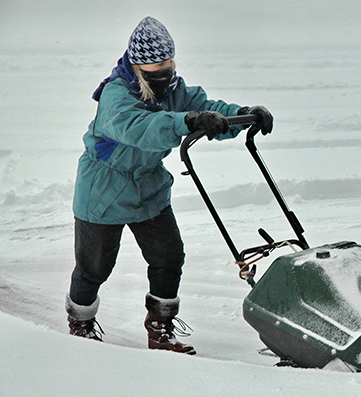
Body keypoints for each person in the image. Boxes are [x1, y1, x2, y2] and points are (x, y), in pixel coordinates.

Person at [64, 16, 273, 355]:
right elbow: (140, 127)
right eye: (153, 64)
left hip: (148, 187)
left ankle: (160, 329)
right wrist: (186, 121)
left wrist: (243, 114)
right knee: (95, 267)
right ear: (136, 63)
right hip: (103, 191)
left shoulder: (175, 90)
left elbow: (206, 108)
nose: (162, 70)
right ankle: (80, 323)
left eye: (166, 62)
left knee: (169, 256)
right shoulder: (116, 96)